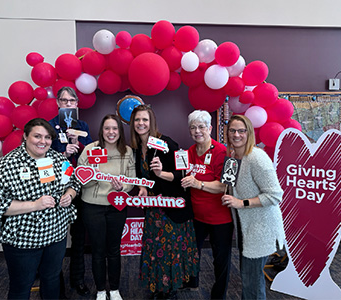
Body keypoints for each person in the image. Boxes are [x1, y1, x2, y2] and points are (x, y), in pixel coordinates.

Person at [0, 118, 80, 299]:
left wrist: (69, 195)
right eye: (37, 136)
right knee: (21, 286)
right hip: (23, 240)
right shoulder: (8, 164)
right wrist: (35, 205)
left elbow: (74, 182)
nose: (43, 141)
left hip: (55, 235)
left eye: (47, 137)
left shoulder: (58, 159)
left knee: (51, 280)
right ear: (25, 137)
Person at [130, 105, 199, 300]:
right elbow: (144, 178)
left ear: (152, 122)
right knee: (155, 249)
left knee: (169, 250)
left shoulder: (167, 143)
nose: (141, 123)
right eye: (137, 120)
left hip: (172, 207)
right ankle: (158, 285)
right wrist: (143, 188)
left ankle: (169, 289)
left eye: (145, 119)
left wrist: (162, 174)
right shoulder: (137, 149)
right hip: (153, 209)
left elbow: (183, 175)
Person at [221, 115, 285, 300]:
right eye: (232, 130)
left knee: (253, 283)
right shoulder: (232, 157)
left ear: (249, 133)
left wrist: (242, 203)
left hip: (260, 229)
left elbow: (275, 195)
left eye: (241, 131)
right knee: (248, 279)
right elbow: (226, 186)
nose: (236, 135)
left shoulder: (257, 157)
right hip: (244, 229)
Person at [78, 114, 135, 300]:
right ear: (101, 131)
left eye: (115, 128)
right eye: (107, 128)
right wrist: (91, 176)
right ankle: (101, 290)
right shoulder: (89, 150)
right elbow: (80, 181)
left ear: (120, 131)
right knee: (98, 250)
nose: (111, 132)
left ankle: (115, 289)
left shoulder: (126, 151)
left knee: (114, 249)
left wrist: (123, 187)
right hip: (92, 206)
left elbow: (131, 181)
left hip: (117, 206)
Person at [181, 110, 233, 300]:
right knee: (192, 252)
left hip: (221, 218)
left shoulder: (225, 152)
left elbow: (225, 186)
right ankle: (191, 282)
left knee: (221, 259)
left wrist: (198, 184)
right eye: (193, 128)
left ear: (210, 128)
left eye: (201, 127)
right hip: (197, 215)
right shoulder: (188, 152)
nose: (197, 131)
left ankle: (219, 295)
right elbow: (180, 176)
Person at [49, 86, 92, 296]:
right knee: (55, 238)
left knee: (79, 236)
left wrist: (78, 144)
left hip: (80, 189)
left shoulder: (83, 126)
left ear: (77, 104)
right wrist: (62, 151)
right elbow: (42, 158)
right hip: (56, 189)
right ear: (58, 103)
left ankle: (78, 279)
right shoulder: (49, 126)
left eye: (72, 101)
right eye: (64, 101)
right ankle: (55, 285)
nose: (68, 104)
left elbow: (93, 157)